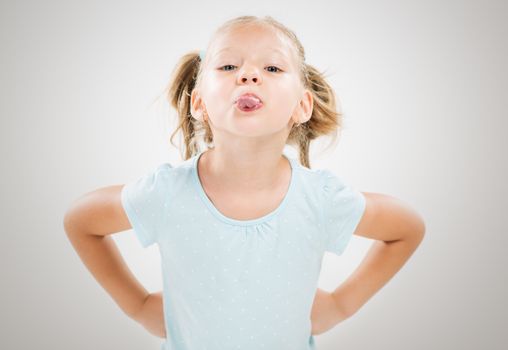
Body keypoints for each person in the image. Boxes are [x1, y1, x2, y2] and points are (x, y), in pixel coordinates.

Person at [63, 15, 426, 350]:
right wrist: (139, 307)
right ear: (200, 103)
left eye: (271, 67)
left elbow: (406, 228)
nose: (248, 75)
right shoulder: (167, 193)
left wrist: (340, 306)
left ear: (302, 106)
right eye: (228, 66)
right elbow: (82, 221)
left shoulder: (320, 198)